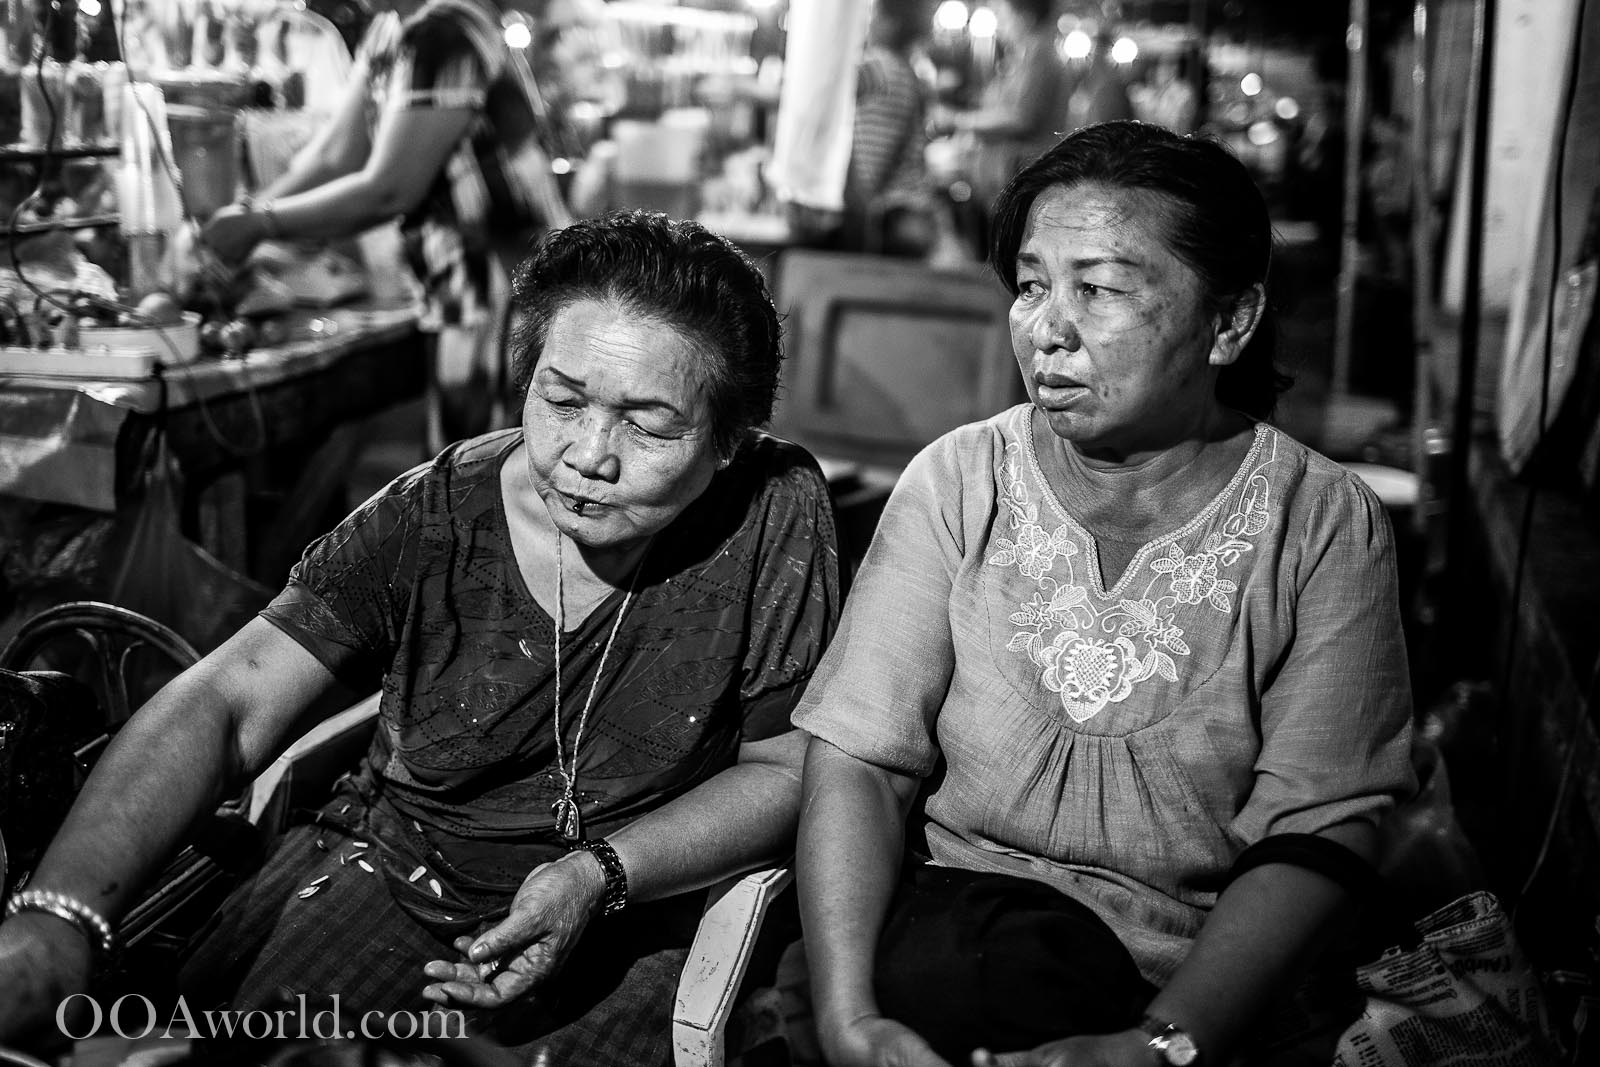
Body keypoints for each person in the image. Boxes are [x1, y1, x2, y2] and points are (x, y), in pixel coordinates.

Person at [0, 211, 842, 1066]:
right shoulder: (432, 518)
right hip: (404, 880)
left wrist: (599, 873)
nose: (590, 454)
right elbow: (224, 699)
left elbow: (783, 770)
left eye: (649, 426)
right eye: (562, 400)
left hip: (642, 893)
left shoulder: (775, 511)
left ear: (730, 440)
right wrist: (57, 920)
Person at [792, 121, 1416, 1067]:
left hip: (1191, 1000)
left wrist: (1159, 1043)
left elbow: (1320, 830)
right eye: (1035, 285)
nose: (1048, 328)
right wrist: (850, 1021)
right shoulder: (962, 480)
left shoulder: (1322, 522)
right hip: (941, 958)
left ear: (1230, 321)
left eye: (1102, 289)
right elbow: (862, 764)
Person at [198, 0, 599, 449]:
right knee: (466, 467)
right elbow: (336, 156)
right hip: (464, 293)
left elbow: (390, 189)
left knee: (483, 473)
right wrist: (241, 218)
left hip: (508, 292)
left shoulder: (446, 35)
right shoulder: (390, 31)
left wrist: (259, 225)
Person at [931, 0, 1072, 235]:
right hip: (1005, 178)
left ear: (1024, 17)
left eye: (1003, 14)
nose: (1000, 23)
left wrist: (958, 119)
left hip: (1021, 175)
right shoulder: (1025, 56)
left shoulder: (1041, 56)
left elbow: (1022, 117)